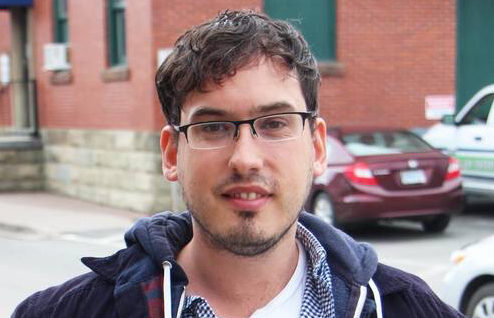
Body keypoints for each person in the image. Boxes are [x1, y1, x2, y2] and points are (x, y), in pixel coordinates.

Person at [13, 10, 464, 318]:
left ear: (318, 146)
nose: (245, 158)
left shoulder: (404, 307)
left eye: (274, 123)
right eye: (213, 128)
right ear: (172, 154)